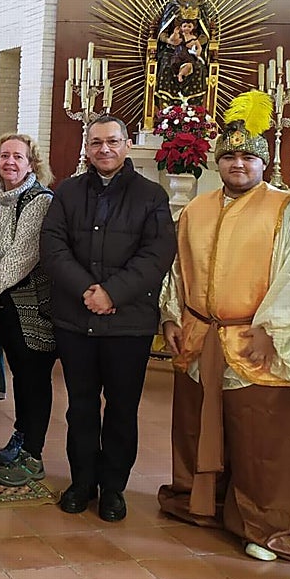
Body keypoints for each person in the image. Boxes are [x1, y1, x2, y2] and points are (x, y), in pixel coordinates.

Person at [157, 91, 290, 561]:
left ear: (263, 163)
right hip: (201, 335)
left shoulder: (286, 211)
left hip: (255, 341)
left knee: (261, 439)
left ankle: (266, 526)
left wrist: (272, 330)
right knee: (197, 428)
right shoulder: (197, 208)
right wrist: (171, 315)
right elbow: (177, 269)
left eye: (248, 156)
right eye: (229, 156)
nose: (238, 164)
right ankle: (201, 504)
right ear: (217, 161)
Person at [40, 115, 176, 521]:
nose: (104, 149)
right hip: (76, 320)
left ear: (127, 144)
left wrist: (114, 293)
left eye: (112, 141)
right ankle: (82, 482)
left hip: (128, 323)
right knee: (80, 407)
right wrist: (88, 290)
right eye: (96, 142)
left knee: (121, 408)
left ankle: (114, 487)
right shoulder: (67, 191)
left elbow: (157, 254)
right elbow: (52, 245)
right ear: (87, 148)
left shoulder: (151, 195)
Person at [0, 134, 56, 487]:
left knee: (34, 378)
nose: (10, 163)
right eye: (4, 156)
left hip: (32, 304)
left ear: (32, 163)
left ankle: (33, 453)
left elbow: (23, 255)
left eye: (18, 157)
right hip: (5, 303)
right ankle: (21, 439)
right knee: (21, 375)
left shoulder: (40, 200)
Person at [150, 0, 217, 109]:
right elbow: (161, 34)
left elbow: (205, 34)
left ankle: (193, 111)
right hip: (172, 50)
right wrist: (170, 40)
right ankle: (167, 110)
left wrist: (196, 43)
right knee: (167, 66)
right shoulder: (172, 6)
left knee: (198, 68)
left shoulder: (202, 7)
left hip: (192, 52)